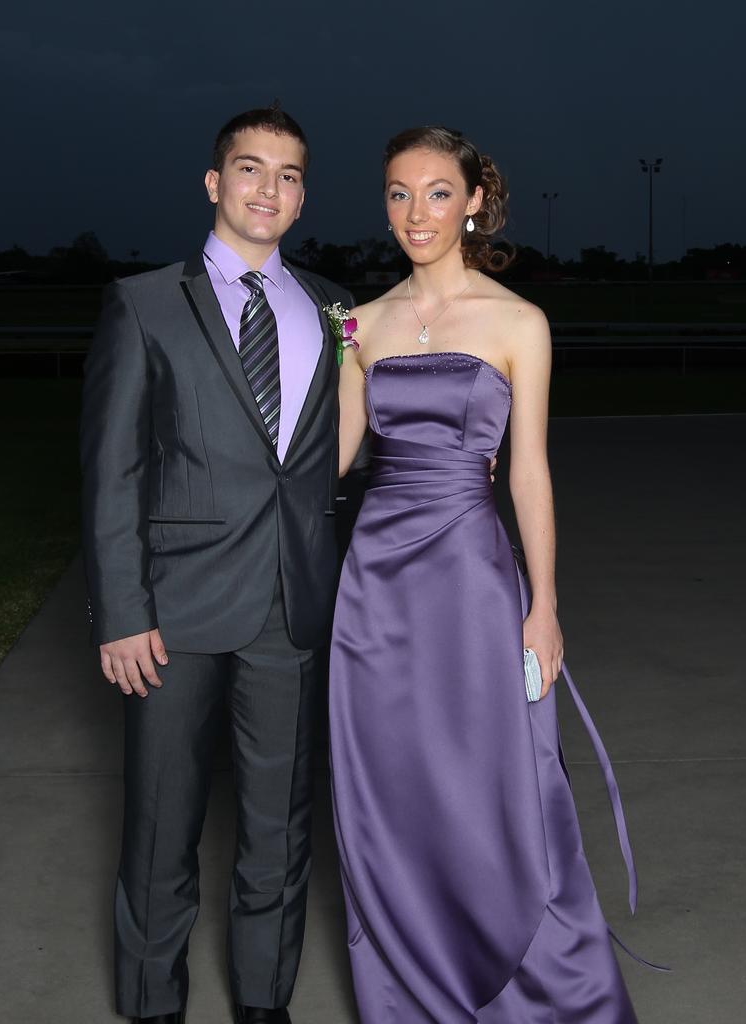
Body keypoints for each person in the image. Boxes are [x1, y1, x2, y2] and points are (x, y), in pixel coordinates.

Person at [330, 126, 641, 1022]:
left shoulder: (517, 322)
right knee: (389, 792)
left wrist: (543, 606)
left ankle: (540, 988)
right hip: (375, 593)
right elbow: (328, 466)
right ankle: (410, 991)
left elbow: (531, 469)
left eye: (436, 192)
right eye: (397, 193)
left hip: (471, 579)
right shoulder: (359, 320)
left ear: (473, 202)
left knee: (496, 784)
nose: (415, 212)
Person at [81, 105, 352, 1024]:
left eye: (287, 174)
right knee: (161, 823)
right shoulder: (146, 301)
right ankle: (154, 1003)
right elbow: (112, 471)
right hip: (171, 613)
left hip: (293, 608)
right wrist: (121, 608)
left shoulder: (332, 307)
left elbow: (336, 457)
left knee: (280, 829)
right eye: (250, 169)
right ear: (214, 182)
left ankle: (263, 1004)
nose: (268, 188)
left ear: (302, 192)